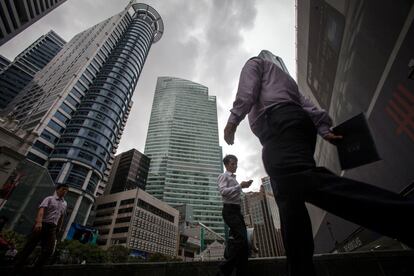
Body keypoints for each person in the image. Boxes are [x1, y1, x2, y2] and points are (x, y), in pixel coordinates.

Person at [223, 52, 414, 276]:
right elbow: (307, 105)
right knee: (290, 205)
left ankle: (403, 216)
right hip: (299, 128)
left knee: (305, 182)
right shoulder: (286, 79)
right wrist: (324, 130)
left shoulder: (255, 63)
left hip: (278, 126)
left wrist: (233, 121)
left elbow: (247, 91)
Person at [12, 183, 68, 272]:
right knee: (30, 246)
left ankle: (37, 268)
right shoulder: (49, 199)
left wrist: (59, 227)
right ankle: (17, 266)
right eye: (63, 189)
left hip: (52, 228)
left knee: (49, 250)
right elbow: (41, 210)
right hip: (42, 224)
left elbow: (61, 216)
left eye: (66, 190)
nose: (64, 191)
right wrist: (38, 222)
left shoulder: (64, 203)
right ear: (57, 190)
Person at [217, 155, 252, 276]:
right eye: (232, 164)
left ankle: (241, 270)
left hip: (237, 211)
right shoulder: (224, 176)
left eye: (236, 163)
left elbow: (235, 193)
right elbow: (223, 192)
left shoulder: (234, 179)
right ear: (226, 165)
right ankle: (224, 269)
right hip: (230, 211)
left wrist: (243, 186)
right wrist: (239, 186)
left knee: (241, 241)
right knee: (242, 238)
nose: (235, 165)